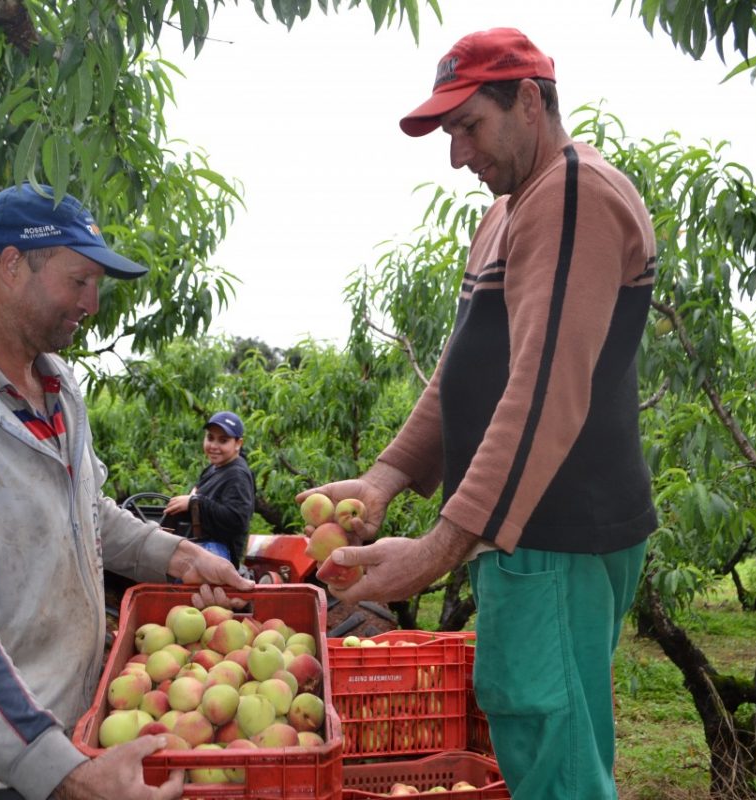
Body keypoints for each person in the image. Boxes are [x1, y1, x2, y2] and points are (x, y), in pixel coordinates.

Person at [298, 28, 658, 800]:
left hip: (552, 535)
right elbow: (466, 370)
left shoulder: (571, 195)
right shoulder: (511, 210)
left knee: (552, 758)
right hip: (525, 538)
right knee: (538, 739)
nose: (457, 155)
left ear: (529, 100)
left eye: (468, 127)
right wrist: (387, 475)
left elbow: (543, 390)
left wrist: (438, 549)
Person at [0, 182, 254, 800]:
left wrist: (180, 556)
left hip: (77, 726)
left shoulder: (57, 390)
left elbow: (87, 511)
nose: (93, 302)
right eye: (79, 281)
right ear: (13, 265)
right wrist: (64, 773)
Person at [162, 411, 255, 567]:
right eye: (210, 438)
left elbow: (237, 520)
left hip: (219, 552)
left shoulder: (237, 475)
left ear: (238, 444)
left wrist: (195, 502)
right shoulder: (213, 468)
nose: (213, 446)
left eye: (223, 440)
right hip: (200, 544)